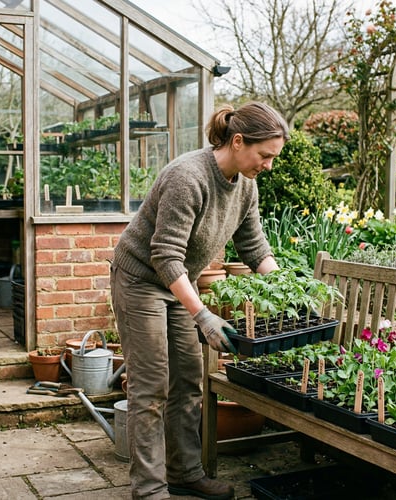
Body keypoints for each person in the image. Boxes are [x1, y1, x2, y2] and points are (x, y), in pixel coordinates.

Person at [110, 101, 289, 499]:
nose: (268, 165)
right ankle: (150, 489)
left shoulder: (246, 186)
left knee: (189, 381)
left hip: (178, 284)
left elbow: (254, 247)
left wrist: (291, 294)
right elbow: (165, 255)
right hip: (141, 280)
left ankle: (184, 472)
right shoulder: (188, 177)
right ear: (238, 141)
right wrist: (204, 316)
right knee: (151, 385)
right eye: (264, 155)